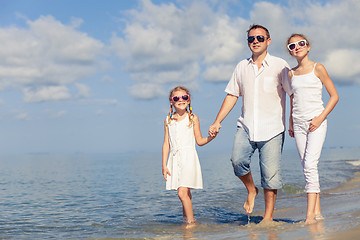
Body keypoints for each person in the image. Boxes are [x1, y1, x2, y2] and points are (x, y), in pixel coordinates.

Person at [209, 24, 293, 222]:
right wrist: (217, 121)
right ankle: (251, 190)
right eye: (251, 39)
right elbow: (232, 95)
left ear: (268, 41)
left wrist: (291, 121)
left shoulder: (280, 65)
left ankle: (268, 218)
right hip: (246, 126)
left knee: (270, 177)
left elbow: (292, 94)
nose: (255, 41)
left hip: (273, 128)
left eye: (260, 38)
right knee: (237, 161)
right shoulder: (241, 67)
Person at [286, 34, 339, 224]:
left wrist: (319, 118)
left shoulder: (318, 68)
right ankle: (317, 213)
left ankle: (309, 217)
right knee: (307, 166)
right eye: (292, 45)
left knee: (309, 165)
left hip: (316, 121)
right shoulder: (290, 73)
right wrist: (291, 122)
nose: (297, 47)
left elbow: (334, 96)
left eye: (301, 43)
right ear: (290, 51)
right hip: (298, 124)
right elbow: (292, 99)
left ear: (308, 47)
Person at [162, 86, 215, 225]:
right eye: (176, 98)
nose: (181, 100)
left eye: (184, 97)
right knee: (185, 194)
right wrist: (164, 165)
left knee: (182, 193)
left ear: (189, 100)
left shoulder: (193, 118)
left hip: (189, 159)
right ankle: (187, 220)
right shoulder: (168, 120)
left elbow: (200, 141)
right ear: (171, 102)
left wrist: (211, 137)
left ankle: (191, 224)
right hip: (174, 160)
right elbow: (166, 144)